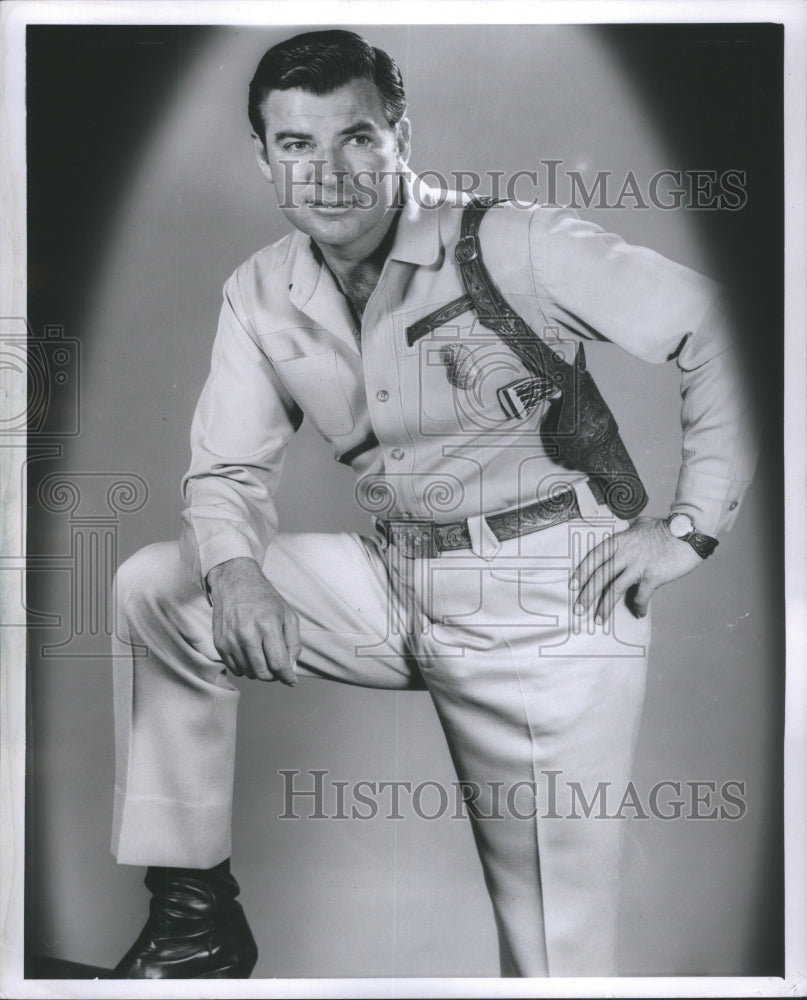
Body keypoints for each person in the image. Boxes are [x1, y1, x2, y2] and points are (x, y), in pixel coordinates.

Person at [110, 29, 755, 979]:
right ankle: (196, 920)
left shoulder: (513, 242)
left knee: (553, 956)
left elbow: (728, 329)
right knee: (163, 585)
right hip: (397, 577)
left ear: (400, 135)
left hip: (548, 601)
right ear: (263, 156)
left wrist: (688, 530)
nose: (329, 174)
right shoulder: (260, 289)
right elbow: (224, 473)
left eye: (357, 138)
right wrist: (238, 572)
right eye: (296, 145)